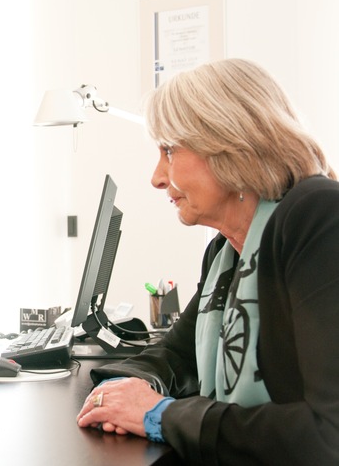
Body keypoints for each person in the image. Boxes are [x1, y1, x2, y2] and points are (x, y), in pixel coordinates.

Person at [76, 58, 339, 464]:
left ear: (228, 144)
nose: (157, 177)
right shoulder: (225, 252)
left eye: (168, 150)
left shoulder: (317, 217)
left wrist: (159, 414)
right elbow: (179, 354)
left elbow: (328, 437)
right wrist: (124, 389)